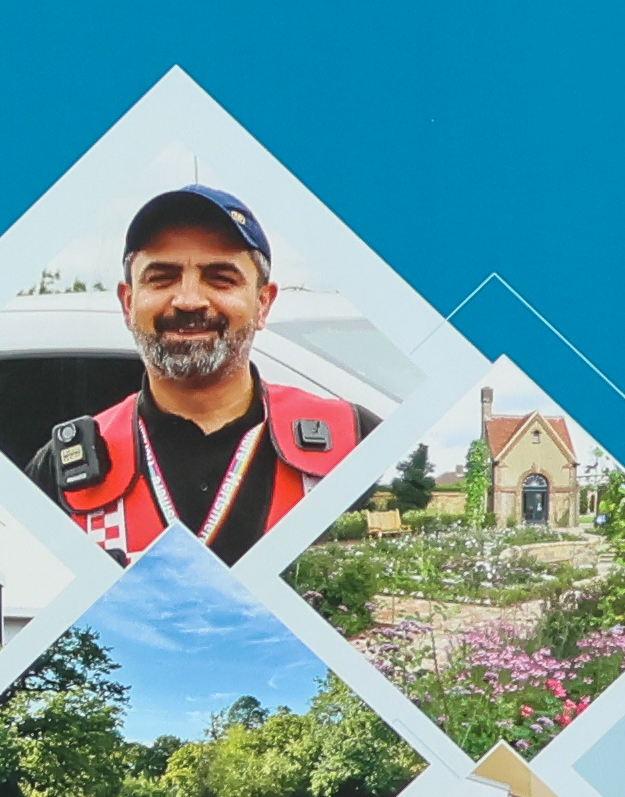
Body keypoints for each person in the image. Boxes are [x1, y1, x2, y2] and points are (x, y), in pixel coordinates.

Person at [22, 188, 370, 556]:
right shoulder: (60, 474)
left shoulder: (353, 443)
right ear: (128, 303)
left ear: (263, 303)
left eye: (221, 278)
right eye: (162, 277)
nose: (189, 300)